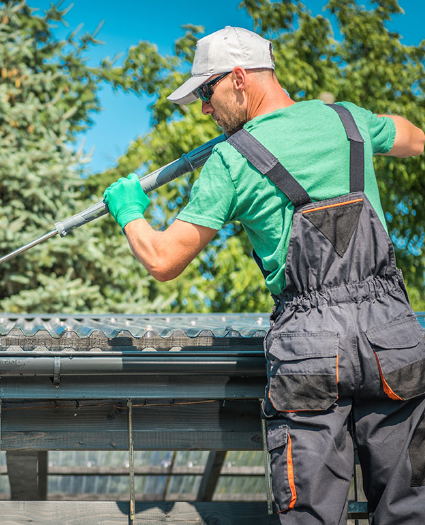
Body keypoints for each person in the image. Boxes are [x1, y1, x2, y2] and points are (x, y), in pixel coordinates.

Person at [103, 26, 425, 524]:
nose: (204, 110)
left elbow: (163, 260)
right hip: (392, 334)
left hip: (311, 347)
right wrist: (371, 128)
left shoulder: (232, 160)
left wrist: (129, 212)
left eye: (206, 93)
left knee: (310, 515)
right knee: (412, 508)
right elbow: (414, 138)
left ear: (238, 78)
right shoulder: (348, 120)